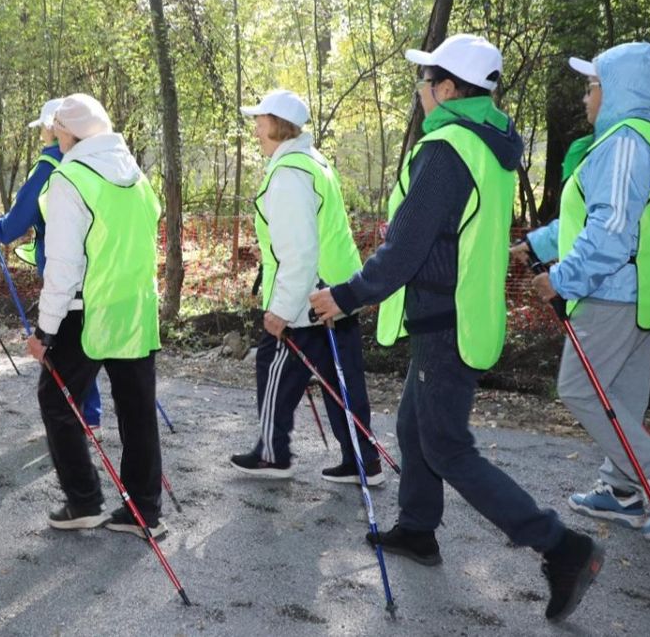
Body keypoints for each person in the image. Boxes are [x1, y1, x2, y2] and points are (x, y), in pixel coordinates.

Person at [309, 35, 602, 622]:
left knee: (445, 444)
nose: (419, 93)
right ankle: (418, 528)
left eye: (424, 82)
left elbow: (405, 249)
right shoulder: (491, 144)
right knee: (416, 426)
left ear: (445, 90)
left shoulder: (446, 149)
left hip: (445, 319)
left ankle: (562, 546)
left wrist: (343, 297)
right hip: (456, 312)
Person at [513, 43, 650, 541]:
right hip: (636, 295)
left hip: (612, 294)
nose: (586, 96)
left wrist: (560, 279)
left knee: (579, 389)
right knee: (620, 397)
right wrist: (535, 243)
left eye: (592, 85)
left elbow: (610, 231)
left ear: (617, 90)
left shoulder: (625, 142)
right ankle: (622, 491)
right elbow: (592, 217)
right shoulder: (637, 139)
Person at [27, 93, 166, 538]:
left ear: (69, 133)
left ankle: (84, 501)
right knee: (137, 408)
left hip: (84, 312)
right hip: (135, 308)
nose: (54, 139)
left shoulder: (71, 177)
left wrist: (45, 329)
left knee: (57, 401)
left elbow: (64, 265)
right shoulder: (137, 176)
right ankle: (144, 509)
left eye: (56, 132)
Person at [228, 89, 381, 485]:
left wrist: (280, 309)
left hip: (309, 298)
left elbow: (298, 250)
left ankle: (271, 454)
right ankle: (361, 460)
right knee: (340, 381)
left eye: (260, 121)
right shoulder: (312, 163)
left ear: (278, 126)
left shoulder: (290, 173)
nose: (255, 129)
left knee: (275, 363)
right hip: (336, 293)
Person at [0, 99, 106, 430]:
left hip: (64, 269)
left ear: (54, 128)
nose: (41, 133)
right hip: (103, 267)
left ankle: (80, 416)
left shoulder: (49, 165)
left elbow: (17, 222)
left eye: (43, 127)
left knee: (67, 344)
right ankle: (90, 413)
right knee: (88, 341)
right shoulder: (97, 160)